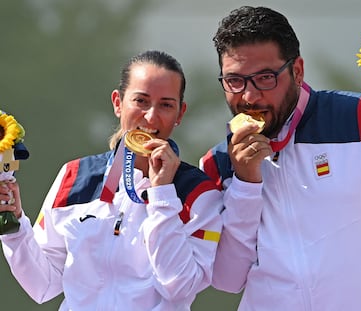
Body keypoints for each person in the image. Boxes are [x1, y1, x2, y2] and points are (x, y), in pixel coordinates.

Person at [199, 6, 361, 310]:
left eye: (264, 77)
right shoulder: (218, 163)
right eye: (234, 80)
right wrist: (246, 185)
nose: (249, 97)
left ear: (297, 70)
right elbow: (227, 279)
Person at [0, 50, 223, 310]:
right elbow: (43, 284)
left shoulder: (199, 193)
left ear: (180, 113)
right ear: (118, 103)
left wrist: (162, 196)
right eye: (141, 101)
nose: (151, 117)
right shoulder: (74, 176)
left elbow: (179, 286)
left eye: (165, 105)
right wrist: (14, 228)